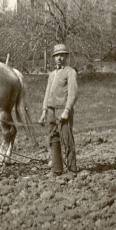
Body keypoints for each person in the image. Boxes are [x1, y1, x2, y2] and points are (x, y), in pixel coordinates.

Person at [38, 43, 78, 175]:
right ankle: (56, 169)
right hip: (51, 110)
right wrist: (44, 111)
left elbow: (73, 93)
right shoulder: (52, 74)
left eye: (62, 55)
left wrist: (67, 110)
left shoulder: (70, 72)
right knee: (53, 139)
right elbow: (47, 93)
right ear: (54, 58)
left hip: (62, 110)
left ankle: (72, 169)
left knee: (66, 139)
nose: (59, 58)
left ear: (66, 56)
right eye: (57, 56)